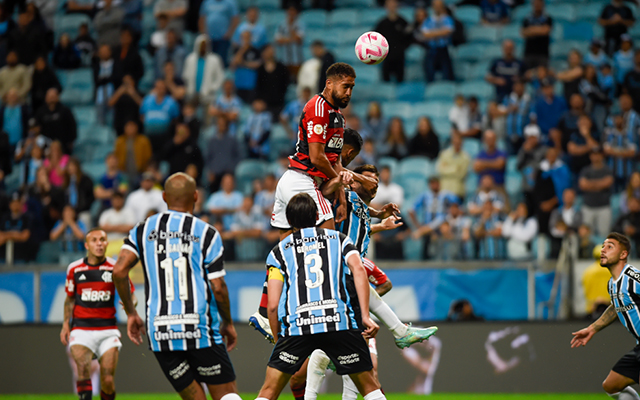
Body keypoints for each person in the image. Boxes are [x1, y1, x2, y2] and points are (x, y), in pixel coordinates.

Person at [113, 173, 243, 400]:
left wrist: (131, 313)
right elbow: (218, 286)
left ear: (164, 197)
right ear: (195, 196)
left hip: (160, 331)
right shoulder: (206, 233)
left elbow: (119, 271)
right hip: (199, 328)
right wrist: (228, 322)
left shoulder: (142, 230)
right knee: (227, 397)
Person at [252, 192, 386, 400]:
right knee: (370, 387)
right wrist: (365, 315)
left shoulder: (278, 252)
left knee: (269, 390)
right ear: (317, 216)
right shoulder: (340, 240)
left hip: (298, 327)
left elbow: (272, 305)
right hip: (339, 322)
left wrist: (280, 340)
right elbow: (358, 270)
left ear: (288, 221)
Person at [270, 63, 359, 236]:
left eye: (352, 88)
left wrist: (341, 197)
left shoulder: (339, 116)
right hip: (303, 180)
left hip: (296, 181)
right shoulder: (318, 108)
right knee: (330, 243)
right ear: (329, 84)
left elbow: (335, 160)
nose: (348, 93)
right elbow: (316, 158)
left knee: (288, 253)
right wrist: (340, 181)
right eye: (345, 86)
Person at [60, 228, 136, 400]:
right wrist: (66, 324)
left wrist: (130, 304)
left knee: (108, 380)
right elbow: (69, 299)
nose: (99, 243)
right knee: (83, 371)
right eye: (94, 240)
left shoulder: (115, 268)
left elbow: (131, 295)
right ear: (87, 245)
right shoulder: (74, 269)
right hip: (81, 329)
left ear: (107, 243)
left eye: (102, 239)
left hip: (107, 330)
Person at [571, 233, 640, 399]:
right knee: (611, 385)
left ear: (623, 254)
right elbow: (616, 307)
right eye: (603, 246)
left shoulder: (633, 276)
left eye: (610, 247)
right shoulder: (612, 284)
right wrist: (592, 329)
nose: (603, 250)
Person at [410, 176, 457, 259]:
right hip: (427, 224)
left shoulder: (446, 195)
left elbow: (457, 207)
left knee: (441, 221)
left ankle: (421, 231)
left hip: (442, 224)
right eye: (432, 184)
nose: (434, 186)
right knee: (426, 249)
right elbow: (411, 210)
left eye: (436, 183)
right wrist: (417, 225)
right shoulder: (424, 196)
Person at [579, 149, 615, 237]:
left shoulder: (607, 170)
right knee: (586, 235)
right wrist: (599, 185)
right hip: (588, 207)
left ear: (602, 155)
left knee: (604, 234)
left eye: (598, 154)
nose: (595, 157)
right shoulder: (585, 170)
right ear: (590, 156)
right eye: (593, 154)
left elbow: (607, 183)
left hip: (604, 207)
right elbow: (583, 185)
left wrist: (590, 185)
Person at [182, 34, 225, 105]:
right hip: (192, 94)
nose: (203, 48)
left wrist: (212, 88)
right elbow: (185, 76)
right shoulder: (190, 59)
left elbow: (220, 78)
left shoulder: (215, 60)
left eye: (205, 45)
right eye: (201, 45)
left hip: (208, 95)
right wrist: (188, 88)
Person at [375, 0, 409, 83]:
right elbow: (374, 38)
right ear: (386, 6)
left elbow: (410, 37)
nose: (392, 5)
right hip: (386, 57)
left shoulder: (403, 22)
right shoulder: (382, 23)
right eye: (389, 3)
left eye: (393, 3)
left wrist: (403, 48)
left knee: (400, 81)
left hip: (399, 57)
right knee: (385, 82)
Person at [35, 88, 77, 154]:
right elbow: (36, 127)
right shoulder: (40, 112)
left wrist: (71, 141)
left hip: (63, 145)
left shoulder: (65, 111)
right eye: (50, 97)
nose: (51, 99)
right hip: (45, 146)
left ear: (58, 97)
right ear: (46, 98)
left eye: (53, 97)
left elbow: (72, 126)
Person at [421, 0, 454, 82]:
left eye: (439, 5)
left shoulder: (447, 19)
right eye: (436, 5)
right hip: (431, 49)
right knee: (429, 74)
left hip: (443, 49)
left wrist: (432, 33)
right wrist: (440, 32)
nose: (437, 7)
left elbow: (448, 31)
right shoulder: (428, 20)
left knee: (447, 74)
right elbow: (425, 34)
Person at [199, 0, 239, 66]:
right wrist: (203, 33)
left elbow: (235, 19)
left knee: (221, 61)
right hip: (209, 38)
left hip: (223, 39)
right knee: (208, 62)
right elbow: (201, 18)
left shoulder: (230, 3)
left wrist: (229, 33)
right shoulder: (207, 2)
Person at [255, 44, 290, 119]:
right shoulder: (260, 69)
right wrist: (260, 101)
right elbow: (258, 86)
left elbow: (285, 84)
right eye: (268, 51)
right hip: (264, 105)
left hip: (278, 104)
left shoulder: (281, 68)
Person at [113, 120, 152, 184]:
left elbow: (148, 157)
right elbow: (116, 156)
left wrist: (145, 169)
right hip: (124, 172)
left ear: (137, 127)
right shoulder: (119, 141)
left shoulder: (144, 140)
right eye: (128, 126)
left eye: (132, 126)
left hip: (140, 172)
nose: (130, 129)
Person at [0, 191, 35, 261]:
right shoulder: (4, 218)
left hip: (21, 258)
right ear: (10, 204)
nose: (15, 204)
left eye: (18, 202)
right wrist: (16, 235)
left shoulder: (27, 217)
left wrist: (6, 236)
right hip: (3, 257)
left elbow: (25, 236)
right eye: (13, 202)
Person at [435, 131, 469, 201]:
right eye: (455, 141)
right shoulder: (444, 154)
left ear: (462, 142)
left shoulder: (466, 157)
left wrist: (447, 168)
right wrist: (455, 169)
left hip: (458, 192)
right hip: (444, 190)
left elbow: (461, 175)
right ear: (452, 142)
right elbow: (440, 170)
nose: (457, 143)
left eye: (459, 142)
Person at [274, 5, 304, 78]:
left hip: (297, 59)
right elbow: (278, 40)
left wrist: (290, 26)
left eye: (293, 11)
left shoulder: (300, 24)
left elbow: (298, 39)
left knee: (297, 79)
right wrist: (291, 39)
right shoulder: (281, 25)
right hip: (284, 59)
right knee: (283, 80)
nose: (291, 13)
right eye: (290, 11)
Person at [521, 0, 552, 69]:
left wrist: (531, 29)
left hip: (542, 53)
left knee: (542, 75)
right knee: (527, 75)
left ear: (543, 5)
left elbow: (545, 31)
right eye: (536, 3)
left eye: (539, 3)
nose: (537, 5)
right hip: (529, 53)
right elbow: (523, 32)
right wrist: (539, 29)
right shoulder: (527, 18)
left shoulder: (547, 18)